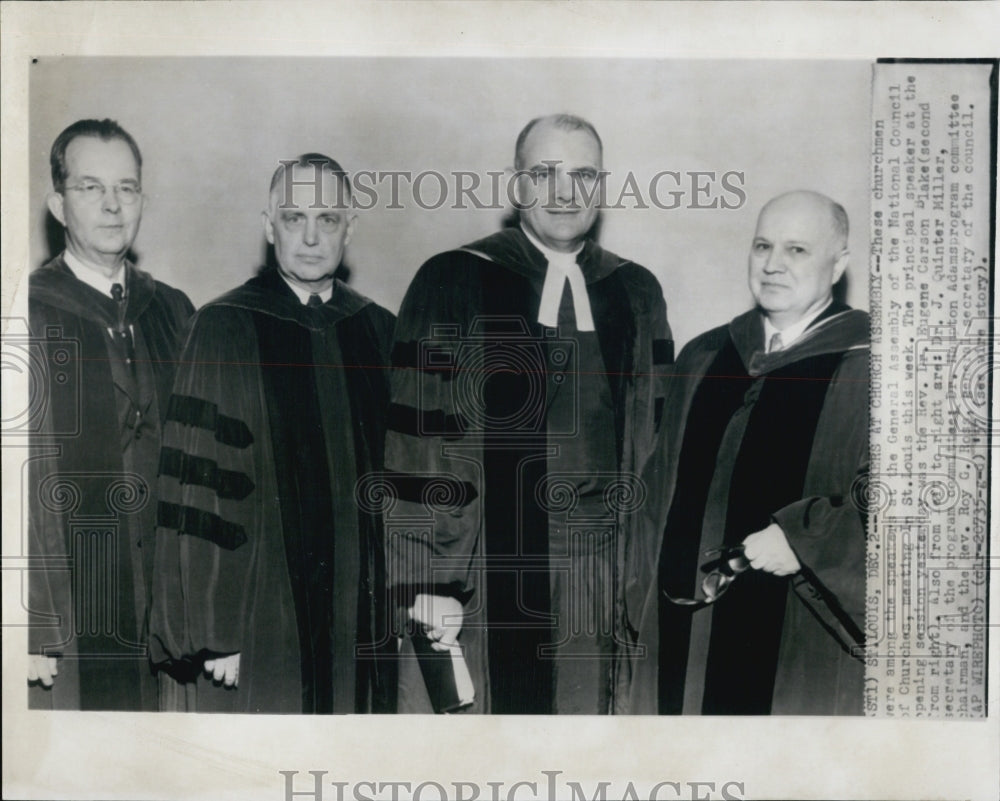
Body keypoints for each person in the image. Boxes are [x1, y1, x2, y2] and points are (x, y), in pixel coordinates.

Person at [385, 114, 673, 714]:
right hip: (487, 567)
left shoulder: (635, 293)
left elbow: (657, 449)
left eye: (584, 175)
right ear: (516, 185)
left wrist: (643, 581)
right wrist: (429, 583)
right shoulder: (454, 280)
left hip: (603, 574)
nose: (566, 192)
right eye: (545, 174)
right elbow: (419, 445)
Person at [148, 154, 396, 713]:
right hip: (258, 616)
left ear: (349, 230)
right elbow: (199, 490)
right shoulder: (223, 327)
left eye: (328, 219)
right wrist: (214, 629)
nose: (310, 237)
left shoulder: (379, 332)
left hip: (359, 615)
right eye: (293, 218)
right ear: (268, 226)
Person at [628, 190, 869, 716]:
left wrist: (807, 540)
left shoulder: (873, 366)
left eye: (797, 250)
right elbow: (655, 496)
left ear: (839, 265)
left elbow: (901, 507)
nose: (773, 265)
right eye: (763, 246)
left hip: (799, 643)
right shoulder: (707, 355)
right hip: (685, 630)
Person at [27, 118, 195, 710]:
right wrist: (33, 617)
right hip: (71, 598)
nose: (112, 205)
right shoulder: (25, 314)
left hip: (166, 604)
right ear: (57, 202)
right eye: (90, 187)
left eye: (126, 188)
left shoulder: (174, 312)